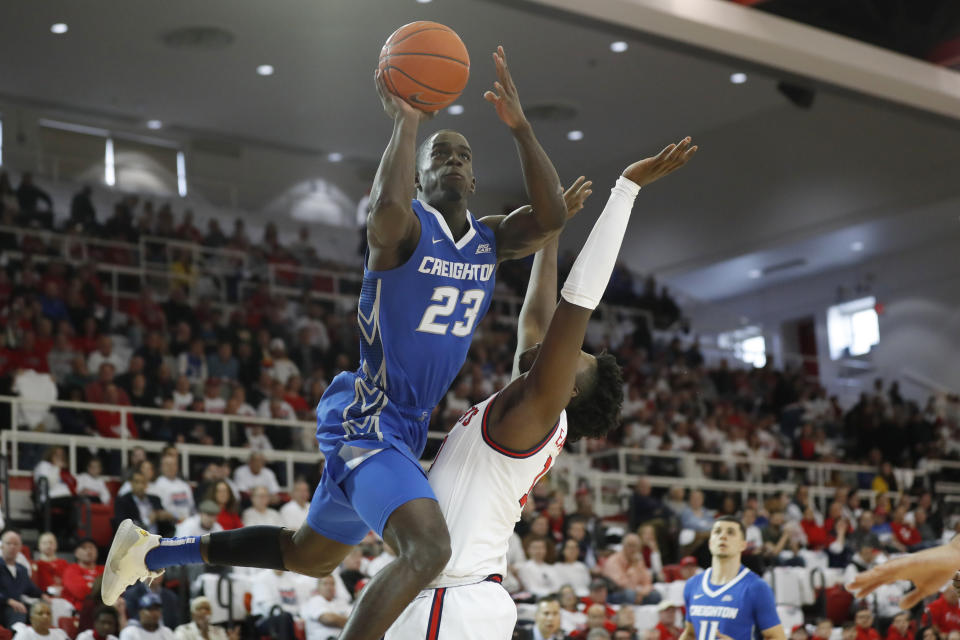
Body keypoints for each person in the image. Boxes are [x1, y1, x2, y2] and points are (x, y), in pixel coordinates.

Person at [103, 45, 572, 640]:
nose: (452, 160)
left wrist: (522, 128)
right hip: (367, 419)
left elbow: (553, 217)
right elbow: (385, 209)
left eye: (463, 155)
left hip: (403, 427)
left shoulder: (489, 239)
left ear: (475, 178)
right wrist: (407, 123)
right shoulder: (405, 230)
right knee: (427, 551)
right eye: (440, 155)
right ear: (423, 176)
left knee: (310, 556)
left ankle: (151, 553)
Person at [387, 140, 696, 639]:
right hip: (454, 596)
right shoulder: (522, 411)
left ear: (568, 392)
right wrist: (550, 232)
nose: (558, 344)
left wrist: (626, 189)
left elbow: (577, 303)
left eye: (573, 354)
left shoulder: (538, 413)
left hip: (453, 600)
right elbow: (537, 316)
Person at [679, 517, 786, 640]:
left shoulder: (756, 587)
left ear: (743, 545)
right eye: (717, 531)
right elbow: (690, 634)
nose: (723, 536)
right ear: (710, 543)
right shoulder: (693, 584)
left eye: (730, 532)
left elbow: (777, 637)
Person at [847, 537, 960, 609]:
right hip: (874, 603)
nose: (868, 552)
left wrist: (954, 553)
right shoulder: (853, 566)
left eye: (871, 549)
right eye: (866, 549)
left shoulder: (881, 560)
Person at [1, 531, 43, 629]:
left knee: (41, 610)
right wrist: (8, 601)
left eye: (16, 544)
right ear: (2, 546)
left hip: (18, 606)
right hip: (2, 606)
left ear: (20, 548)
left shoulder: (22, 570)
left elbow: (31, 589)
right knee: (18, 610)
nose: (12, 547)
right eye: (8, 543)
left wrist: (44, 596)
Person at [301, 575, 351, 640]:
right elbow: (328, 619)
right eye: (325, 584)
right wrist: (348, 622)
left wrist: (343, 621)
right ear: (318, 587)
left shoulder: (341, 603)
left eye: (332, 584)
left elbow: (355, 622)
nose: (329, 587)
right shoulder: (315, 601)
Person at [62, 539, 104, 610]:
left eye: (91, 547)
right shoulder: (71, 570)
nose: (88, 550)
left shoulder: (104, 569)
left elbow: (115, 591)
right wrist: (99, 587)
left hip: (104, 609)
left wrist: (90, 585)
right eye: (84, 548)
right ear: (76, 553)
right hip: (80, 611)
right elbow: (81, 592)